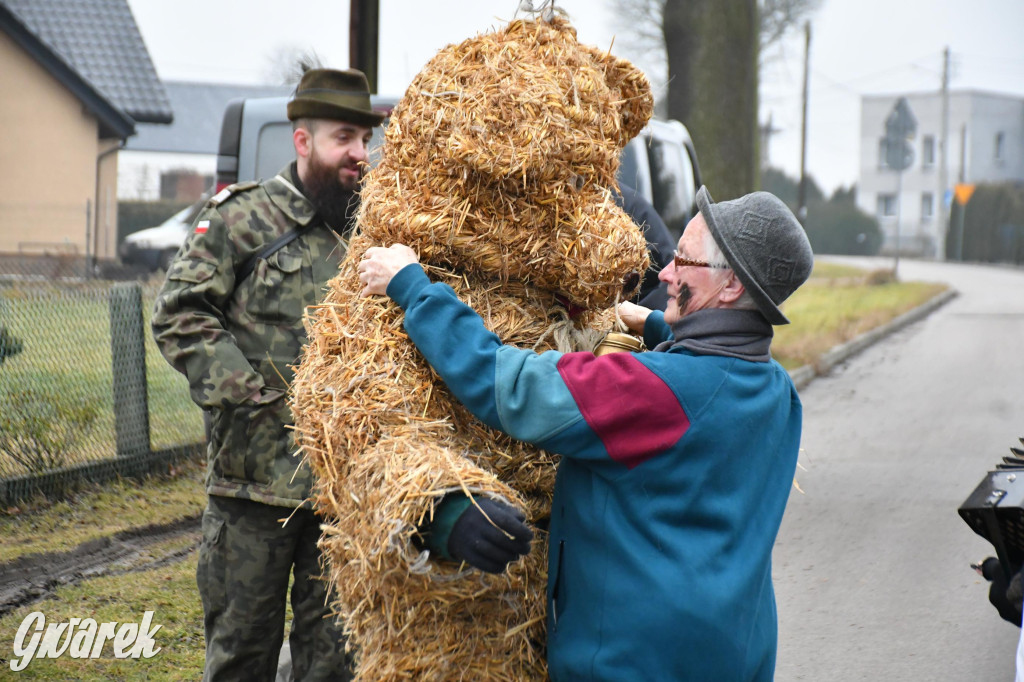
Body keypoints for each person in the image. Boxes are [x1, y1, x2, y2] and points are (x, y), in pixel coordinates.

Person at [356, 185, 814, 680]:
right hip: (733, 653)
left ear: (731, 289)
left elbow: (509, 386)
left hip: (635, 661)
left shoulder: (654, 393)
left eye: (683, 261)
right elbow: (714, 370)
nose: (664, 272)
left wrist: (414, 288)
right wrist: (659, 323)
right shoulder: (776, 392)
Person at [152, 67, 384, 681]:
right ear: (302, 141)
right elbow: (180, 313)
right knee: (241, 660)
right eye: (344, 138)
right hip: (251, 494)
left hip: (342, 496)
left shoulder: (374, 236)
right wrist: (250, 399)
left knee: (334, 666)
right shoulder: (241, 220)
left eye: (365, 139)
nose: (360, 154)